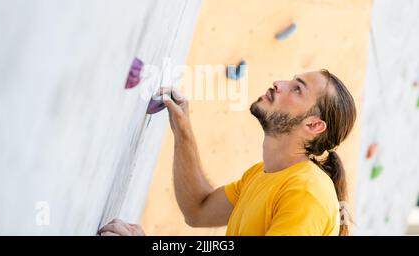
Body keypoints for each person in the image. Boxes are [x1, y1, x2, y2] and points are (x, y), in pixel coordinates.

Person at [99, 69, 356, 236]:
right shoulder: (263, 174)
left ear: (313, 125)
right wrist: (183, 130)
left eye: (297, 88)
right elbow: (198, 209)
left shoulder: (306, 195)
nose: (278, 83)